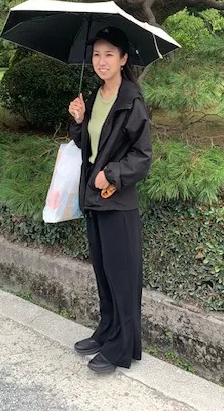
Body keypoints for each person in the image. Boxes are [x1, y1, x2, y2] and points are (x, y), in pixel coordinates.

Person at [68, 26, 152, 374]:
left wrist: (112, 174)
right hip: (93, 198)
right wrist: (78, 121)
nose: (101, 61)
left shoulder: (131, 100)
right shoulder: (95, 95)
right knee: (103, 271)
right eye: (97, 54)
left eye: (109, 55)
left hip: (117, 201)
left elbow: (142, 156)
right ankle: (106, 331)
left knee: (122, 275)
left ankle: (121, 348)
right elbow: (87, 146)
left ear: (123, 59)